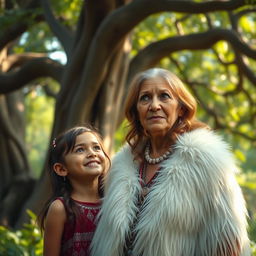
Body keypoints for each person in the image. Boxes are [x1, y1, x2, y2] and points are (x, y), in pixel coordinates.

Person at [91, 68, 251, 256]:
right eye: (145, 98)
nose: (154, 105)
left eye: (164, 96)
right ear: (136, 110)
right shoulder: (119, 167)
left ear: (181, 108)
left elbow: (230, 242)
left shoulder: (207, 162)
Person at [38, 125, 110, 256]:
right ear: (61, 169)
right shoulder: (60, 208)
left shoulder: (113, 201)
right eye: (80, 150)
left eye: (96, 147)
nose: (92, 153)